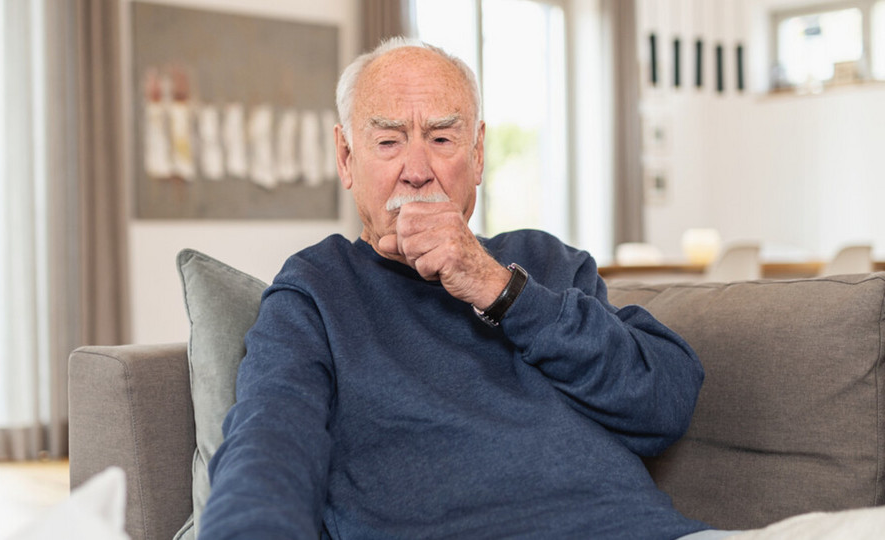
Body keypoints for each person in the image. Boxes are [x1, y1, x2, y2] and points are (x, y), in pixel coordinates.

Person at [199, 37, 721, 540]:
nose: (418, 172)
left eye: (443, 139)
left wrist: (499, 289)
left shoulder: (545, 262)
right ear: (345, 157)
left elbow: (664, 403)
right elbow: (269, 448)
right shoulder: (317, 290)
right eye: (387, 141)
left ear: (477, 155)